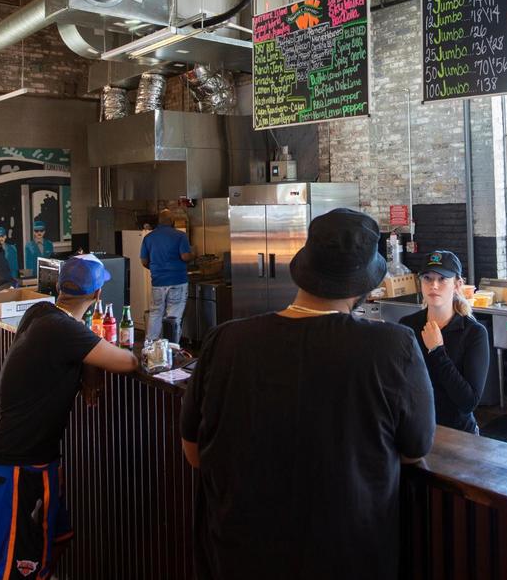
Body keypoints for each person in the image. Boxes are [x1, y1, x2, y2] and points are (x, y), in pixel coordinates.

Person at [180, 208, 435, 580]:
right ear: (363, 287)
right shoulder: (393, 347)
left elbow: (194, 453)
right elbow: (416, 448)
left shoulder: (226, 340)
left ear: (304, 270)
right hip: (348, 556)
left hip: (237, 553)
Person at [0, 255, 138, 580]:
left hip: (27, 460)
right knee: (15, 570)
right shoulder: (62, 330)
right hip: (17, 467)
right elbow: (129, 362)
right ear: (97, 295)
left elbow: (78, 345)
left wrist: (88, 370)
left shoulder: (41, 313)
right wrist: (92, 369)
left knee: (56, 539)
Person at [399, 250, 494, 434]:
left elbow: (468, 402)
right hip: (417, 429)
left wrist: (437, 351)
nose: (433, 285)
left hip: (458, 434)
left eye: (442, 279)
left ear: (457, 285)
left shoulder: (474, 333)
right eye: (427, 278)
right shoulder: (408, 325)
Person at [139, 209, 194, 340]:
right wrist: (193, 255)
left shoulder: (149, 237)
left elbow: (144, 261)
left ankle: (150, 345)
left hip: (157, 282)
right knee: (173, 317)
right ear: (172, 221)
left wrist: (156, 269)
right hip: (177, 281)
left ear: (159, 221)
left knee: (155, 313)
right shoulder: (180, 236)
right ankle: (171, 347)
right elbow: (185, 256)